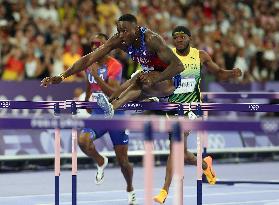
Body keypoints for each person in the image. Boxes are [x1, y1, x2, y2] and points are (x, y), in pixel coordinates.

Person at [153, 26, 242, 204]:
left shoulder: (200, 55)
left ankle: (164, 190)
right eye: (175, 37)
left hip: (192, 109)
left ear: (189, 38)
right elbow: (157, 76)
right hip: (172, 108)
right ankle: (204, 165)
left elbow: (217, 72)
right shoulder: (167, 56)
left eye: (182, 36)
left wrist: (231, 73)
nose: (178, 39)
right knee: (183, 154)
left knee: (175, 149)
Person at [40, 14, 184, 117]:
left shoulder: (151, 39)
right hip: (147, 78)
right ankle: (114, 103)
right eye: (119, 31)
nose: (121, 35)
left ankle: (113, 107)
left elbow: (178, 66)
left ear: (136, 28)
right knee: (123, 87)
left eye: (125, 31)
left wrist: (156, 79)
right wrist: (62, 75)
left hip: (169, 80)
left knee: (139, 78)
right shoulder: (118, 40)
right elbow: (89, 58)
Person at [77, 33, 137, 204]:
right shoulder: (89, 63)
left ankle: (130, 188)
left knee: (123, 162)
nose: (95, 46)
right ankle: (101, 160)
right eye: (92, 44)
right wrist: (87, 100)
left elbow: (113, 92)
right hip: (98, 113)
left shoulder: (115, 65)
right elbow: (89, 84)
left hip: (116, 113)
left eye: (99, 43)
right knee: (83, 141)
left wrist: (96, 76)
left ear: (107, 46)